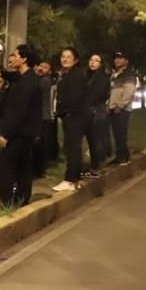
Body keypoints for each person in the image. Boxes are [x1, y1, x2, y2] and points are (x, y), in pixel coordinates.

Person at [0, 45, 43, 208]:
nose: (11, 58)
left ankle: (6, 203)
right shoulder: (26, 78)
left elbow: (19, 112)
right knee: (23, 166)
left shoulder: (27, 83)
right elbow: (12, 75)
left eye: (14, 55)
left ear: (23, 59)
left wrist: (5, 135)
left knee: (5, 168)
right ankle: (22, 198)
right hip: (26, 133)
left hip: (19, 133)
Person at [53, 47, 88, 192]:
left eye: (68, 56)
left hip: (74, 117)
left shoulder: (76, 75)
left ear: (76, 60)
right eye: (63, 56)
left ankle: (70, 179)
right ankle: (75, 178)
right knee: (72, 148)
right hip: (71, 116)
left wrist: (65, 112)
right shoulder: (67, 75)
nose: (65, 59)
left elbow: (75, 99)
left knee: (72, 148)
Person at [84, 53, 111, 177]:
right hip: (87, 110)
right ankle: (89, 166)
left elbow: (99, 94)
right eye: (91, 59)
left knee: (95, 139)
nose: (92, 62)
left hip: (97, 110)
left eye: (96, 60)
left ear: (100, 64)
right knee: (89, 139)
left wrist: (91, 105)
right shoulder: (86, 76)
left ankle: (96, 166)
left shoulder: (102, 78)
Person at [108, 51, 137, 165]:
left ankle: (124, 157)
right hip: (113, 108)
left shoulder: (129, 74)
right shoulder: (115, 75)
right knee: (116, 133)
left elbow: (128, 92)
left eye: (120, 58)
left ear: (126, 61)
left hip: (122, 109)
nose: (117, 60)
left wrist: (120, 105)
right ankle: (120, 155)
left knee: (121, 133)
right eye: (116, 58)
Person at [32, 61, 55, 177]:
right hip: (38, 116)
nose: (41, 68)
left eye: (45, 67)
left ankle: (41, 169)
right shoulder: (38, 79)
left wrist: (35, 74)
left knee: (41, 144)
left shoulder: (45, 81)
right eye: (40, 65)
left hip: (44, 116)